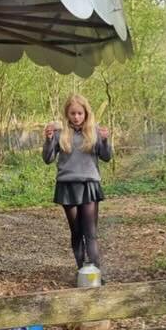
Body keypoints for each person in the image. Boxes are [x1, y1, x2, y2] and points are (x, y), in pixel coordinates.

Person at [42, 94, 112, 273]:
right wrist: (49, 140)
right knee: (76, 232)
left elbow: (106, 157)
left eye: (80, 113)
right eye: (73, 113)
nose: (77, 117)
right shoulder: (60, 134)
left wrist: (104, 140)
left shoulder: (94, 132)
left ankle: (95, 273)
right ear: (67, 114)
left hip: (89, 185)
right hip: (67, 186)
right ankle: (82, 271)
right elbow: (48, 159)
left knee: (90, 233)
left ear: (86, 114)